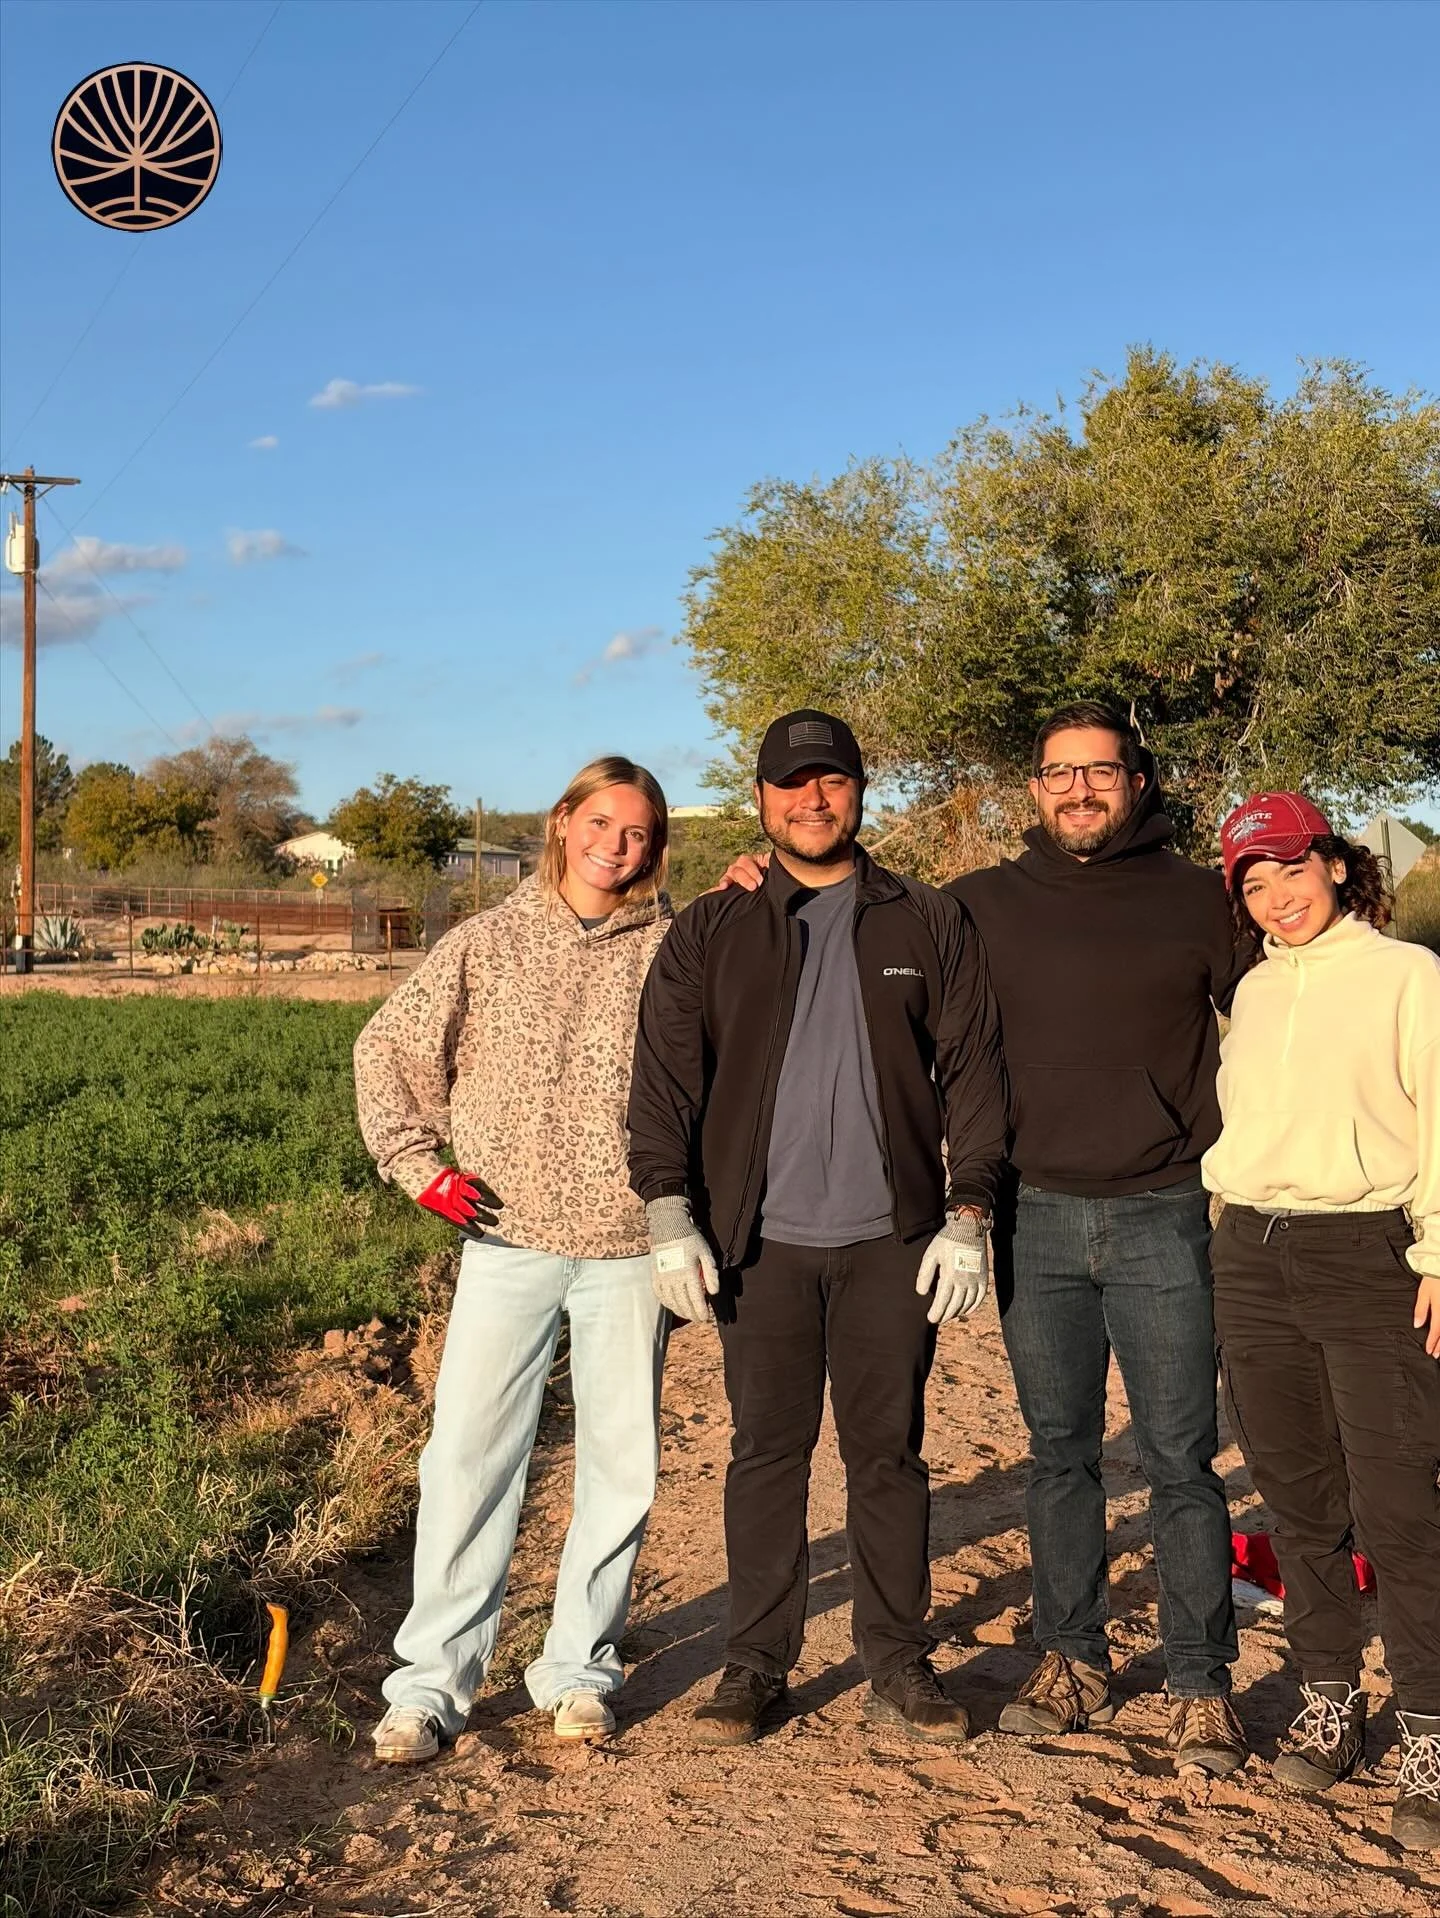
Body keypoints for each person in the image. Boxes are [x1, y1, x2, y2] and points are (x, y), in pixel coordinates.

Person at [627, 709, 1007, 1747]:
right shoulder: (712, 928)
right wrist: (671, 1215)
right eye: (792, 784)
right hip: (760, 1244)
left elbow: (974, 1071)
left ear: (859, 792)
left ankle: (897, 1659)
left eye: (831, 781)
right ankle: (755, 1663)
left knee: (887, 1455)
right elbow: (664, 1081)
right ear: (761, 799)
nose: (813, 799)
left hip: (895, 1241)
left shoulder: (924, 920)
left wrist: (969, 1212)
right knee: (766, 1453)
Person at [353, 756, 673, 1762]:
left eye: (637, 833)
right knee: (468, 1460)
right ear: (563, 821)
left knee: (621, 1465)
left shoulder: (679, 948)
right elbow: (387, 1049)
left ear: (656, 847)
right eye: (601, 823)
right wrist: (417, 1167)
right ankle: (433, 1684)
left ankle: (579, 1669)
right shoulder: (484, 942)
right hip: (506, 1238)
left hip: (629, 1247)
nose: (615, 846)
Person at [949, 702, 1247, 1776]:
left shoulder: (1200, 900)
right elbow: (864, 943)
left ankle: (1200, 1680)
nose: (1080, 789)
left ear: (1137, 782)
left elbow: (1281, 1011)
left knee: (1180, 1460)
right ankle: (1069, 1656)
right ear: (1032, 788)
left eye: (1101, 772)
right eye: (1060, 773)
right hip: (1034, 1215)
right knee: (1059, 1455)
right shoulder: (978, 905)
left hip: (1167, 1209)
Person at [1202, 791, 1440, 1850]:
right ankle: (1332, 1696)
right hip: (1252, 1254)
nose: (1275, 895)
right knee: (1299, 1499)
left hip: (1371, 1255)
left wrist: (1439, 1246)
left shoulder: (1408, 977)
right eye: (1252, 881)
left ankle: (1431, 1726)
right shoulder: (1251, 992)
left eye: (1290, 869)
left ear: (1338, 866)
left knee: (1400, 1503)